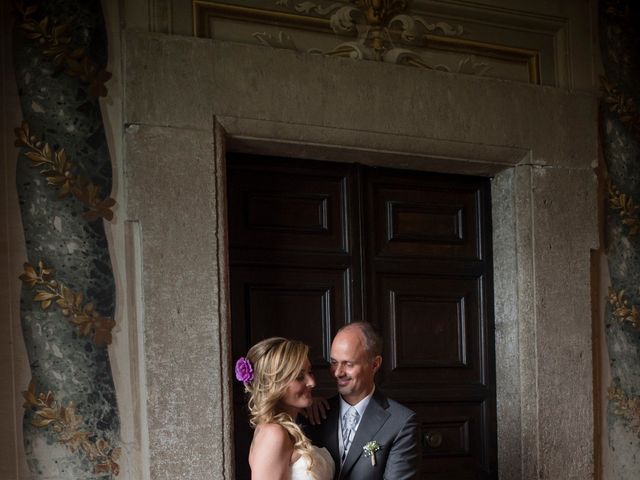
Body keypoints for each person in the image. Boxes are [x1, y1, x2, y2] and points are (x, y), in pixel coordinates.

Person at [305, 322, 421, 480]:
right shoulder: (314, 412)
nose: (338, 373)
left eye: (348, 364)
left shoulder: (401, 423)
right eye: (334, 363)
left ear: (374, 364)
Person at [236, 337, 335, 480]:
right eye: (300, 377)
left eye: (310, 372)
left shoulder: (288, 426)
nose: (312, 382)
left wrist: (312, 402)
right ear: (275, 385)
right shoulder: (274, 434)